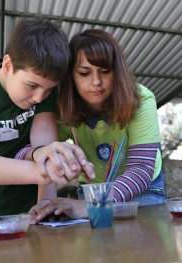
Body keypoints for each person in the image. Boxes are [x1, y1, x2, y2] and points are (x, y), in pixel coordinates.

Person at [0, 18, 95, 220]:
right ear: (8, 65)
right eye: (32, 86)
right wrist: (41, 172)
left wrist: (45, 203)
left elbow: (44, 146)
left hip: (24, 209)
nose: (39, 98)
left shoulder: (44, 93)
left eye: (49, 89)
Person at [30, 29, 165, 223]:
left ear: (117, 72)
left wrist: (93, 205)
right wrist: (46, 203)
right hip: (92, 190)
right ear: (70, 76)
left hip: (143, 188)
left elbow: (141, 168)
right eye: (84, 73)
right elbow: (35, 152)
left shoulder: (142, 99)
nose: (96, 82)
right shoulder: (60, 106)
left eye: (105, 71)